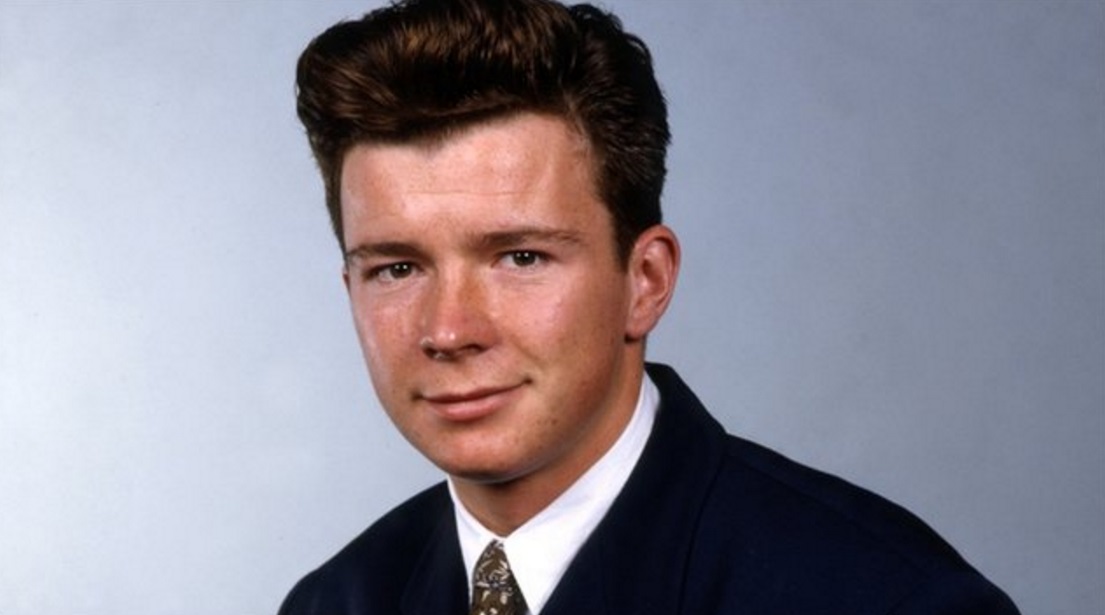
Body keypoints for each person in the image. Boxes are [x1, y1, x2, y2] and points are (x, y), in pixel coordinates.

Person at [279, 0, 1020, 613]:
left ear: (646, 281)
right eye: (397, 268)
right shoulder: (334, 602)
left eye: (521, 258)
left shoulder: (885, 598)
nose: (448, 330)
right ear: (350, 290)